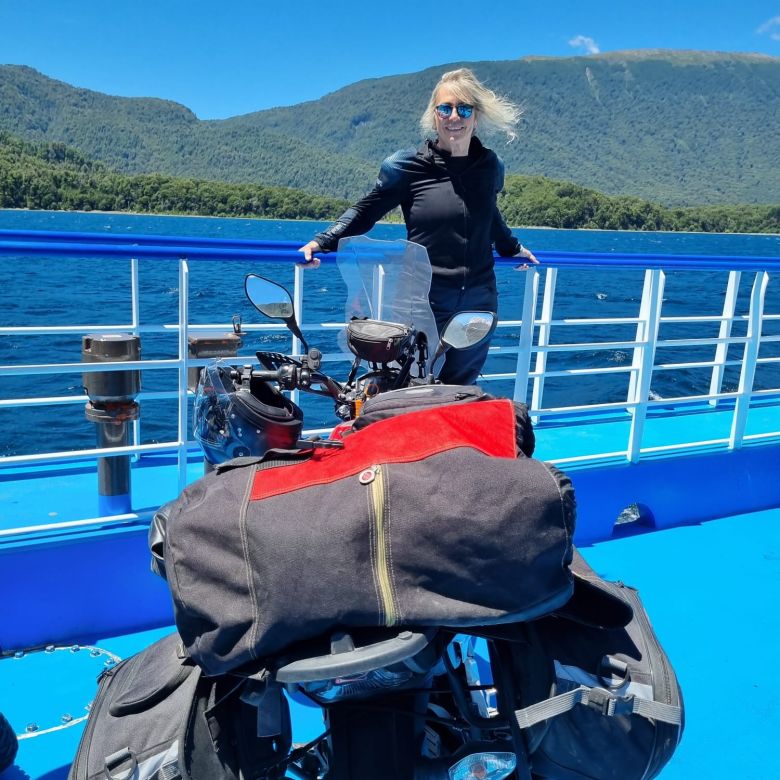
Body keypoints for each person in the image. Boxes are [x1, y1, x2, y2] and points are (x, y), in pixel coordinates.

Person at [298, 67, 538, 385]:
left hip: (478, 301)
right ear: (434, 114)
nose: (455, 116)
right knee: (413, 386)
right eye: (446, 108)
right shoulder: (407, 167)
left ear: (476, 117)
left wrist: (512, 248)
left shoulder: (491, 166)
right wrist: (322, 242)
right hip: (422, 300)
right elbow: (366, 211)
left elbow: (489, 215)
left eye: (464, 108)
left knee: (460, 388)